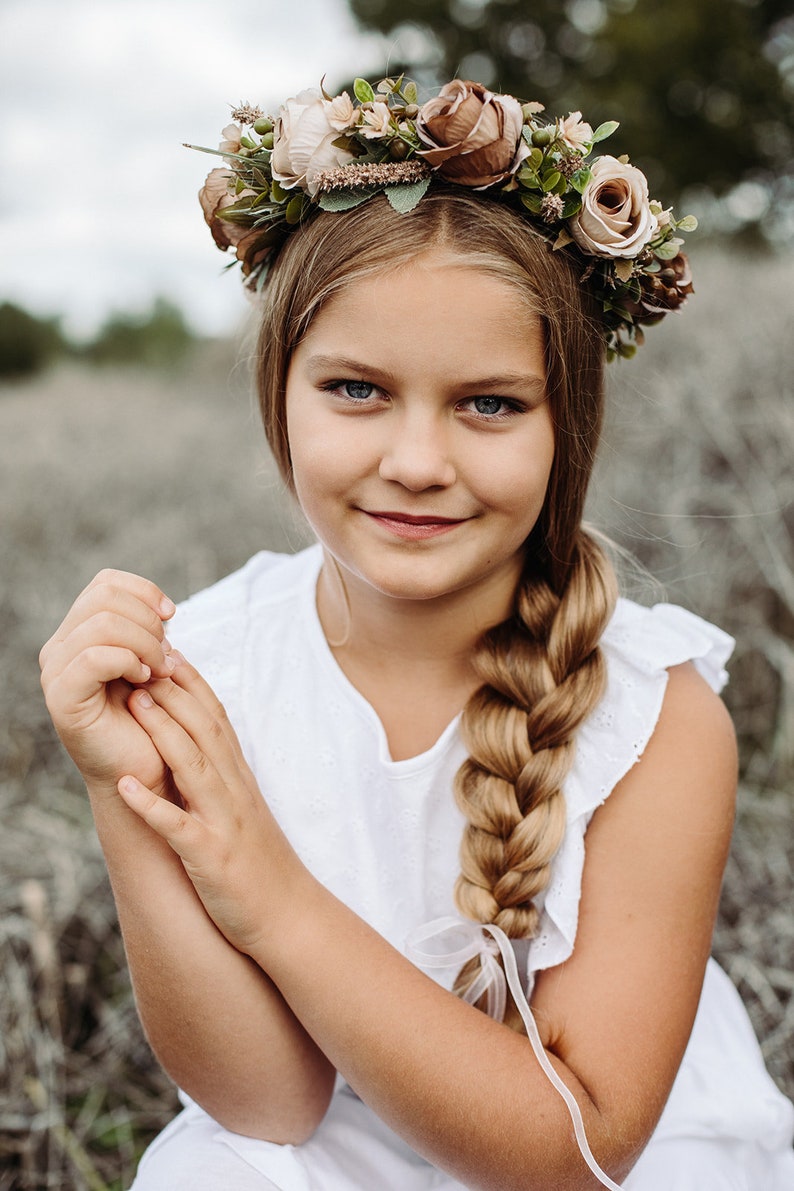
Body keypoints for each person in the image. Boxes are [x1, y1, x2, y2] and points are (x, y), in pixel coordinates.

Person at [39, 77, 794, 1190]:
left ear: (564, 427)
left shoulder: (652, 711)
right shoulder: (209, 663)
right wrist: (121, 791)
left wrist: (276, 897)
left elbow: (571, 1154)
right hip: (333, 1127)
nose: (416, 461)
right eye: (355, 389)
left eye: (488, 403)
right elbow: (269, 1104)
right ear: (276, 394)